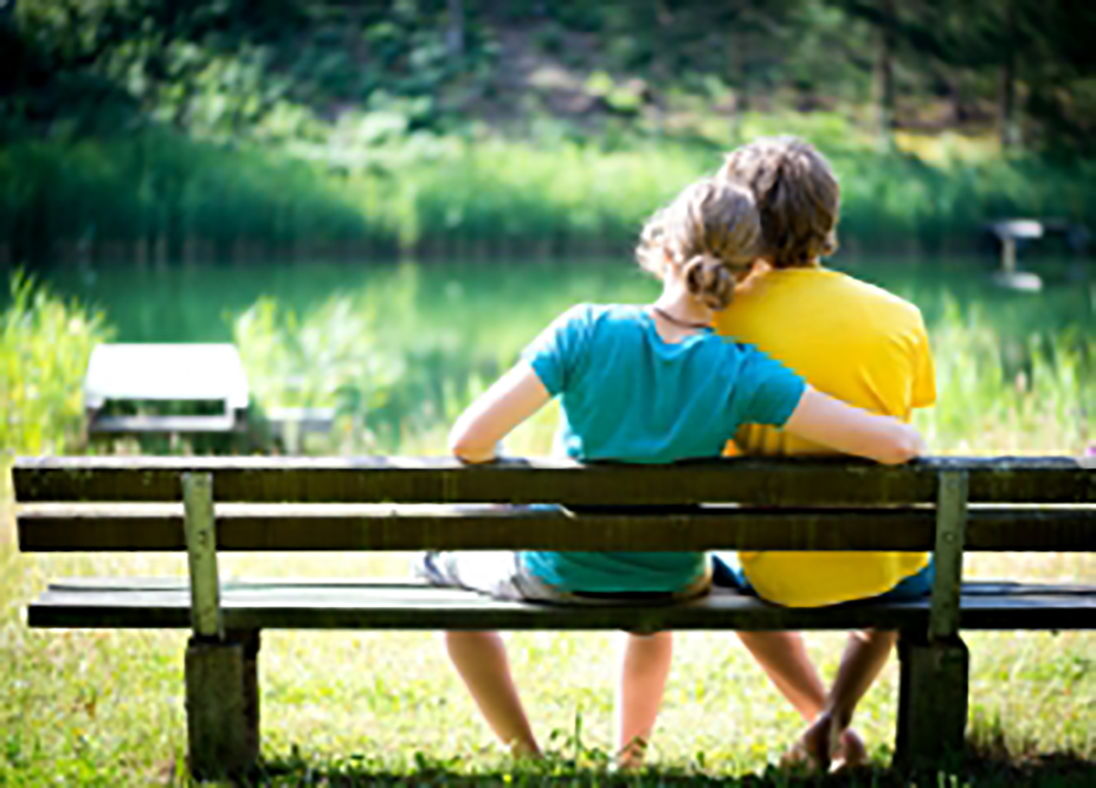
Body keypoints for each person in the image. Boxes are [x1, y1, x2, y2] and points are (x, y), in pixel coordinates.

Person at [419, 177, 925, 767]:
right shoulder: (742, 370)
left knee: (439, 565)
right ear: (748, 272)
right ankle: (628, 759)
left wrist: (508, 495)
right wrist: (908, 434)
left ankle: (528, 757)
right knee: (650, 593)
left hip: (565, 570)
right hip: (672, 576)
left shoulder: (585, 329)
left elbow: (469, 441)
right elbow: (894, 445)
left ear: (662, 249)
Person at [711, 136, 938, 771]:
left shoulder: (718, 320)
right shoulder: (898, 316)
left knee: (722, 572)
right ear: (828, 215)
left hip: (773, 569)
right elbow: (899, 426)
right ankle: (834, 721)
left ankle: (825, 724)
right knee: (895, 564)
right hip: (883, 562)